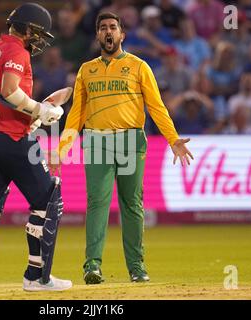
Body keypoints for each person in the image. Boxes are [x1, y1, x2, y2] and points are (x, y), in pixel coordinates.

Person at [48, 12, 193, 284]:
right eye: (102, 28)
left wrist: (173, 139)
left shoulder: (139, 66)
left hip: (130, 140)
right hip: (97, 141)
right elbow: (75, 116)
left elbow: (156, 107)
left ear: (121, 35)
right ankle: (92, 267)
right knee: (97, 204)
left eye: (113, 27)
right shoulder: (86, 70)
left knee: (132, 205)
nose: (108, 31)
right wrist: (62, 148)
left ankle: (137, 268)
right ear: (97, 36)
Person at [0, 3, 72, 293]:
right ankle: (36, 277)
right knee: (49, 201)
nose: (39, 38)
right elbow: (8, 90)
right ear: (27, 27)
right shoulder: (17, 51)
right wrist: (39, 109)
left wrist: (34, 114)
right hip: (13, 141)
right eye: (37, 32)